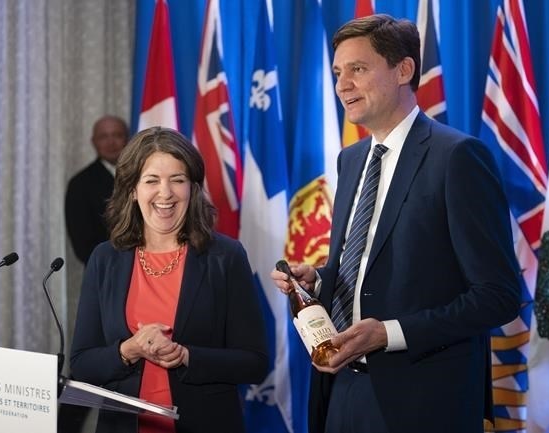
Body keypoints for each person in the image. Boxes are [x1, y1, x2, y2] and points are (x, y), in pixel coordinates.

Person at [271, 14, 521, 433]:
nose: (342, 85)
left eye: (358, 69)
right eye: (337, 72)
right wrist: (318, 279)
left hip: (423, 399)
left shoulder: (457, 158)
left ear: (404, 70)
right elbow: (371, 264)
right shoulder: (350, 161)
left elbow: (498, 296)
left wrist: (389, 333)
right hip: (342, 391)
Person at [70, 127, 268, 433]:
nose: (166, 193)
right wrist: (129, 350)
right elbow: (82, 364)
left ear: (192, 188)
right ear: (133, 189)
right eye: (151, 180)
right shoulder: (105, 259)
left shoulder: (225, 256)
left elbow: (254, 362)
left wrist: (187, 356)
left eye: (177, 180)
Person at [65, 115, 129, 265]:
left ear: (128, 138)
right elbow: (82, 244)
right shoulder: (80, 184)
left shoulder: (144, 176)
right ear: (94, 142)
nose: (111, 142)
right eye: (103, 137)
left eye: (117, 135)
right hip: (106, 273)